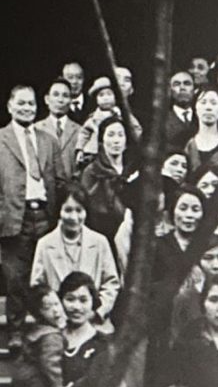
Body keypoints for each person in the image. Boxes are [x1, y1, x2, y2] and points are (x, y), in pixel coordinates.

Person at [1, 85, 64, 350]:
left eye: (31, 104)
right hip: (16, 216)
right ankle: (16, 332)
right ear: (10, 106)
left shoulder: (48, 139)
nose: (27, 108)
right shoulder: (1, 139)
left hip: (45, 215)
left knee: (48, 273)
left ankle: (47, 328)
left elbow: (60, 179)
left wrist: (59, 214)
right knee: (16, 277)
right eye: (22, 103)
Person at [31, 183, 120, 327]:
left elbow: (111, 283)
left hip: (92, 321)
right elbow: (37, 287)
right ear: (59, 211)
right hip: (57, 323)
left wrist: (97, 312)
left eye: (79, 210)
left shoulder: (99, 242)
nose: (73, 217)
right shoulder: (45, 244)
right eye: (68, 210)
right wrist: (55, 313)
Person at [79, 115, 132, 243]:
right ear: (102, 140)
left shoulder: (132, 169)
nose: (116, 140)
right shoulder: (92, 171)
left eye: (120, 135)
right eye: (111, 135)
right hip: (101, 234)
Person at [34, 78, 81, 181]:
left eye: (65, 96)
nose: (60, 100)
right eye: (56, 94)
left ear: (71, 101)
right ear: (47, 99)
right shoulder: (36, 129)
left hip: (73, 192)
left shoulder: (80, 131)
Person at [183, 86, 218, 171]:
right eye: (203, 102)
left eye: (213, 103)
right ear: (195, 108)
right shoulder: (183, 143)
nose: (208, 108)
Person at [165, 70, 198, 151]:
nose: (182, 88)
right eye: (176, 84)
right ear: (170, 90)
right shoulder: (163, 120)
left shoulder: (201, 116)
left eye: (187, 84)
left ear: (194, 89)